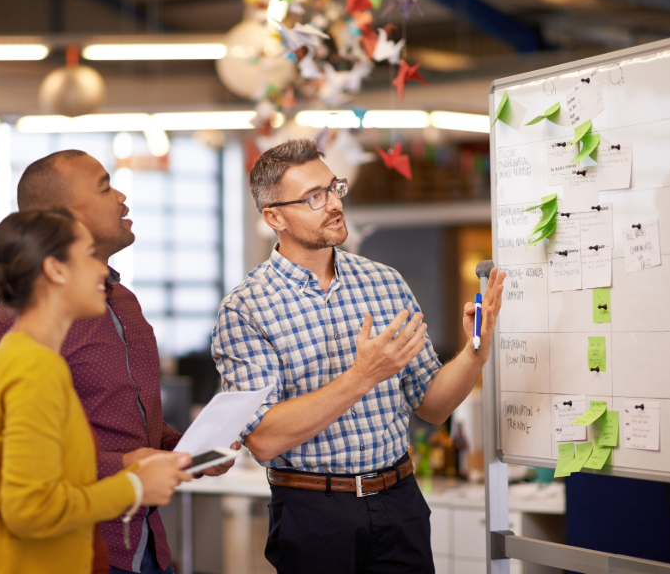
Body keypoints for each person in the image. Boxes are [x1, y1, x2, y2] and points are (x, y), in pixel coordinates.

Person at [212, 138, 506, 574]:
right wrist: (362, 376)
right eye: (314, 197)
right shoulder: (246, 308)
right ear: (274, 217)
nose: (333, 204)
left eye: (334, 188)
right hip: (313, 513)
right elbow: (264, 437)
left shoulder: (384, 282)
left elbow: (433, 405)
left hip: (400, 500)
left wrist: (475, 352)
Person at [0, 150, 236, 574]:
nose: (102, 273)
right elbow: (26, 503)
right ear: (57, 265)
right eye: (87, 259)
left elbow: (92, 445)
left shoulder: (113, 310)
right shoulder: (23, 357)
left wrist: (180, 452)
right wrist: (133, 478)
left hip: (138, 542)